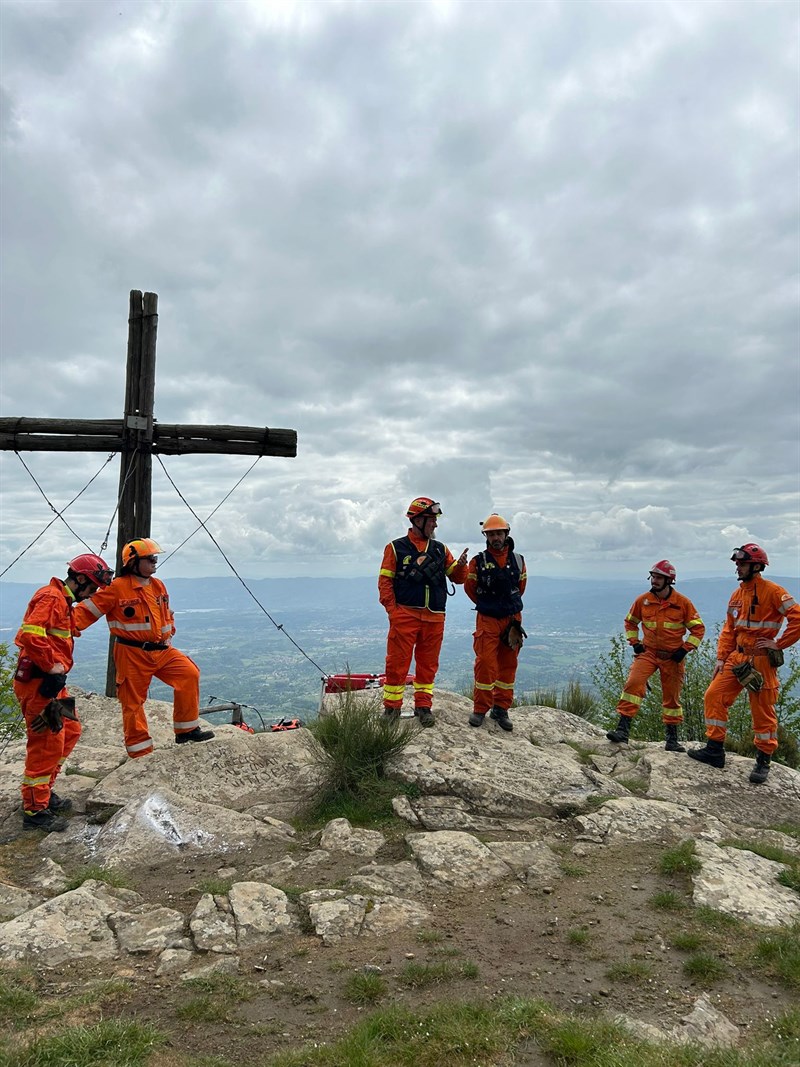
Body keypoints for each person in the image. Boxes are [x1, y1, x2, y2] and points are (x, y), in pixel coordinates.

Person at [72, 538, 214, 757]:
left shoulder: (158, 585)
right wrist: (59, 628)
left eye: (155, 558)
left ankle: (186, 730)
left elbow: (167, 614)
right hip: (131, 653)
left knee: (189, 674)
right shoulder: (117, 588)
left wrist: (169, 632)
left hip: (162, 650)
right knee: (133, 702)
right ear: (133, 562)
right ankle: (140, 751)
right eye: (150, 558)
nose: (155, 562)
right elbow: (85, 613)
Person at [14, 552, 113, 832]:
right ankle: (35, 810)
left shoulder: (64, 601)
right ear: (80, 578)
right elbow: (30, 635)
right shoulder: (52, 598)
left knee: (70, 730)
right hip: (39, 683)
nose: (94, 592)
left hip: (52, 684)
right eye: (93, 586)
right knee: (46, 743)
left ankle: (45, 790)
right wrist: (51, 666)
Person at [688, 544, 800, 784]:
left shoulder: (773, 591)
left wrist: (779, 644)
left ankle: (763, 760)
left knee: (762, 710)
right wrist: (721, 658)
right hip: (736, 658)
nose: (737, 568)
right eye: (737, 564)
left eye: (741, 564)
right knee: (713, 696)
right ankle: (714, 750)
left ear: (756, 566)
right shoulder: (737, 594)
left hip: (760, 660)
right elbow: (729, 629)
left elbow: (797, 618)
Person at [379, 497, 468, 726]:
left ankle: (423, 706)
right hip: (405, 615)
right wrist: (394, 612)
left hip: (435, 617)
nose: (435, 525)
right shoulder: (395, 548)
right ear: (418, 520)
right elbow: (385, 583)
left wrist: (461, 566)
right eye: (432, 520)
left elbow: (457, 578)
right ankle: (391, 709)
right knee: (397, 663)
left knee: (428, 664)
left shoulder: (440, 550)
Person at [606, 560, 705, 751]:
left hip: (673, 656)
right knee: (633, 684)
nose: (654, 580)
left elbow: (698, 630)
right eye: (653, 576)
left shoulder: (683, 603)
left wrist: (685, 649)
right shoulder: (643, 600)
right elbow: (630, 623)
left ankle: (672, 740)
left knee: (672, 698)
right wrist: (635, 643)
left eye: (659, 577)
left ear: (670, 580)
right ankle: (622, 731)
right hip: (648, 653)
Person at [465, 514, 527, 732]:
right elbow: (470, 589)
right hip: (488, 619)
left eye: (499, 533)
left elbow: (521, 588)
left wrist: (506, 609)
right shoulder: (477, 561)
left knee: (508, 666)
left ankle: (501, 709)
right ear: (486, 536)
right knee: (486, 664)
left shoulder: (518, 560)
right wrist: (490, 605)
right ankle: (480, 708)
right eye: (491, 534)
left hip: (512, 619)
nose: (495, 538)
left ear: (506, 534)